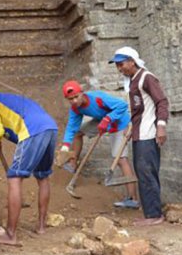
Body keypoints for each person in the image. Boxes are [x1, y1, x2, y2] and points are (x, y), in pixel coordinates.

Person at [0, 86, 58, 246]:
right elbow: (11, 130)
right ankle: (41, 226)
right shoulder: (11, 100)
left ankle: (10, 234)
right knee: (43, 176)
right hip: (50, 128)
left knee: (14, 178)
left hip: (33, 130)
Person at [110, 46, 169, 226]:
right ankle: (150, 213)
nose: (120, 68)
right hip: (138, 134)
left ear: (132, 61)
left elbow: (162, 101)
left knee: (147, 173)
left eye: (121, 64)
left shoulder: (146, 78)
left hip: (148, 134)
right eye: (117, 66)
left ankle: (154, 215)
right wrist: (130, 127)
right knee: (142, 173)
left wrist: (161, 126)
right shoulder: (133, 81)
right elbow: (138, 111)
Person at [57, 80, 139, 209]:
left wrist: (108, 119)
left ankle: (133, 199)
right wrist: (65, 146)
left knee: (121, 160)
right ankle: (73, 163)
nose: (73, 101)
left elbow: (122, 105)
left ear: (82, 93)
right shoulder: (76, 108)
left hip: (119, 122)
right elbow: (72, 127)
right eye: (70, 99)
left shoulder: (98, 98)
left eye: (75, 97)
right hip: (102, 120)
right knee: (78, 133)